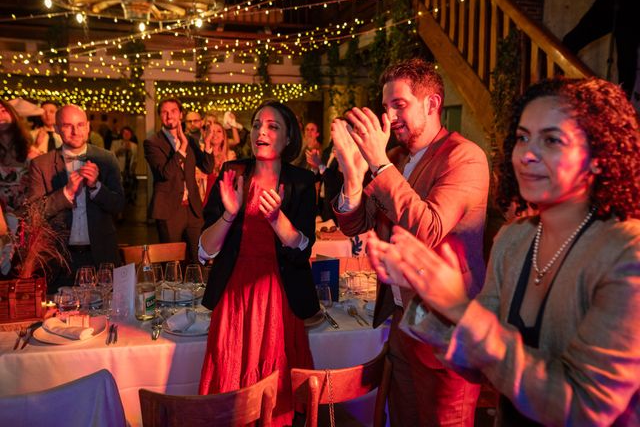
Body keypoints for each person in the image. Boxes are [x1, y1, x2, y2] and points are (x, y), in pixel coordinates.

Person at [369, 77, 640, 425]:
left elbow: (586, 408)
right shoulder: (514, 241)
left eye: (552, 140)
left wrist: (458, 307)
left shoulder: (625, 253)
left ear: (599, 156)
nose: (527, 154)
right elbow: (475, 364)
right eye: (523, 137)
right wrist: (428, 294)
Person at [331, 58, 489, 426]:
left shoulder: (464, 157)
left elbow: (429, 228)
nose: (389, 116)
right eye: (386, 107)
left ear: (432, 104)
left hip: (447, 329)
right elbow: (355, 224)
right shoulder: (397, 157)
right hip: (402, 323)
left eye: (399, 105)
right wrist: (354, 177)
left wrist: (377, 163)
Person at [198, 100, 318, 426]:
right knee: (229, 384)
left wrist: (278, 219)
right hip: (234, 297)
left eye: (272, 126)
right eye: (256, 125)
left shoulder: (302, 182)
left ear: (288, 136)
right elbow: (205, 251)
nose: (260, 132)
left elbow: (303, 246)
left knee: (275, 394)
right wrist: (228, 214)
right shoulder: (231, 173)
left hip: (281, 299)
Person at [28, 104, 124, 293]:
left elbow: (118, 205)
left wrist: (96, 187)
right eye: (67, 125)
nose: (75, 131)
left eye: (80, 125)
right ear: (56, 129)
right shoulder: (41, 164)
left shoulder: (106, 159)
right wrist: (66, 193)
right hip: (60, 261)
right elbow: (33, 215)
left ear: (88, 127)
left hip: (101, 257)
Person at [563, 0, 640, 99]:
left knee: (626, 65)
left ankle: (620, 107)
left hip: (630, 14)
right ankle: (566, 90)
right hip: (607, 8)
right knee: (570, 43)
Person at [144, 98, 214, 262]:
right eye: (164, 112)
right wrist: (181, 148)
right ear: (160, 116)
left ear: (180, 115)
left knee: (198, 259)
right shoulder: (152, 142)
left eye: (174, 111)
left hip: (193, 209)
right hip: (169, 210)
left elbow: (207, 168)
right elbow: (165, 174)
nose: (169, 116)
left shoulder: (190, 140)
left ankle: (198, 289)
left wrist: (209, 145)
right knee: (172, 263)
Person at [0, 100, 39, 215]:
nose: (0, 116)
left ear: (13, 114)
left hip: (27, 216)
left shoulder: (30, 150)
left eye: (3, 110)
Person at [202, 118, 236, 204]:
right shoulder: (200, 153)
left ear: (224, 137)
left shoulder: (230, 156)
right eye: (212, 131)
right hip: (202, 199)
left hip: (221, 201)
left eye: (218, 131)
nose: (214, 134)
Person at [110, 126, 138, 204]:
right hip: (119, 170)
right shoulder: (115, 143)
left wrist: (132, 171)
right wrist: (120, 150)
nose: (126, 135)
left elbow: (135, 159)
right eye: (124, 133)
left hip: (129, 171)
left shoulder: (134, 146)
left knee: (128, 188)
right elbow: (111, 156)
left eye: (128, 133)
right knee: (119, 189)